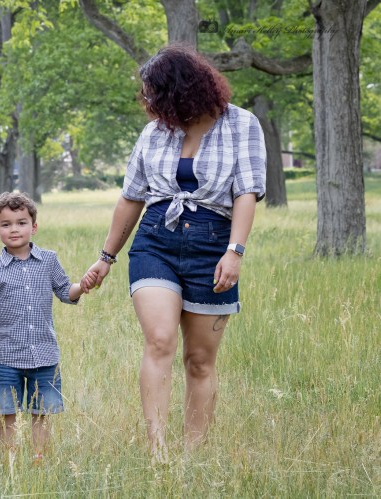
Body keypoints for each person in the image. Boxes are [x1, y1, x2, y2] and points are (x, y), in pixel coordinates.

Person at [81, 44, 266, 463]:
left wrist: (235, 251)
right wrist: (105, 258)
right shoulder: (155, 132)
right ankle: (158, 451)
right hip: (156, 241)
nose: (149, 103)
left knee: (199, 360)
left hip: (213, 244)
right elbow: (131, 197)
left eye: (155, 94)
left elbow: (247, 192)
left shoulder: (242, 124)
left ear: (182, 90)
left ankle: (192, 454)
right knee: (160, 339)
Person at [0, 192, 84, 462]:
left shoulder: (49, 260)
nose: (14, 229)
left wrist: (82, 286)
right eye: (6, 224)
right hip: (7, 355)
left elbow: (65, 291)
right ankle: (11, 461)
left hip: (44, 354)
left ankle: (39, 459)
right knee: (7, 412)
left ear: (34, 227)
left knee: (42, 413)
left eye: (21, 222)